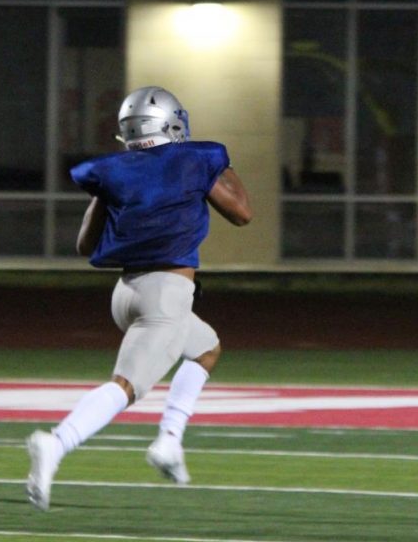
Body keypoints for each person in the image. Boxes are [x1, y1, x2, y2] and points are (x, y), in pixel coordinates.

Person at [26, 86, 252, 510]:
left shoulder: (116, 172)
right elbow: (242, 213)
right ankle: (55, 443)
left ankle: (169, 440)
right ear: (172, 123)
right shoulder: (197, 160)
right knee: (126, 386)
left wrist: (105, 194)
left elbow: (84, 247)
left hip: (126, 294)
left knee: (206, 348)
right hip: (165, 296)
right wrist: (225, 166)